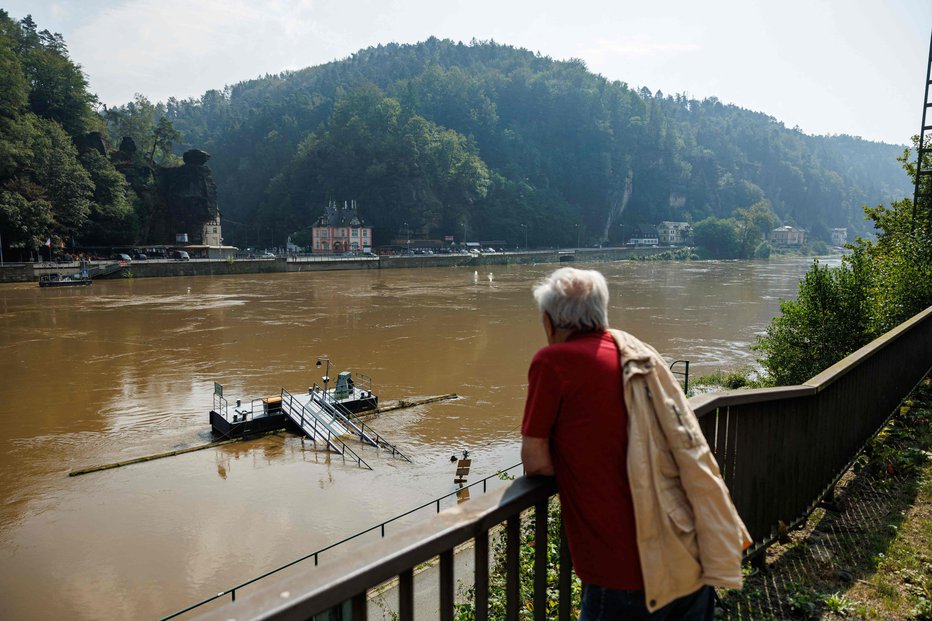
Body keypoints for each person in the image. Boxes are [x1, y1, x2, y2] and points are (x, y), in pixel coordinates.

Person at [521, 267, 750, 620]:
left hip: (623, 574)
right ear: (601, 313)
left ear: (550, 322)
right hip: (685, 550)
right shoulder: (635, 352)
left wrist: (577, 463)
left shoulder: (552, 362)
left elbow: (535, 461)